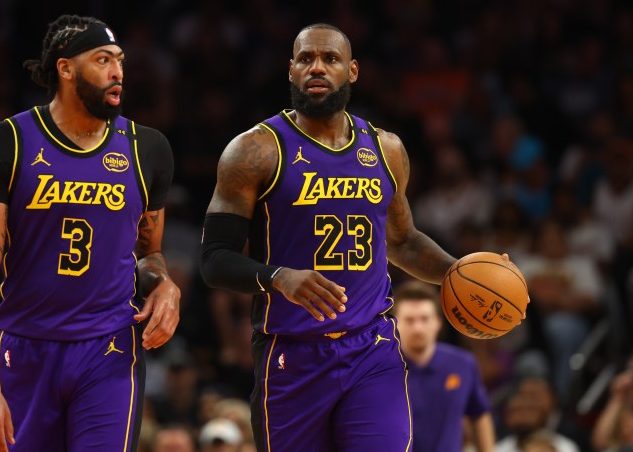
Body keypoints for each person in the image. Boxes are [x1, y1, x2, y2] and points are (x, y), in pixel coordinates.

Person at [200, 23, 499, 451]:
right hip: (292, 353)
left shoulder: (385, 149)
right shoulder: (254, 151)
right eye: (305, 59)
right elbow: (214, 259)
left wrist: (457, 272)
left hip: (370, 348)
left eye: (330, 59)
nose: (316, 68)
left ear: (352, 71)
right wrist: (279, 276)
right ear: (290, 70)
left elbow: (403, 241)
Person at [0, 14, 180, 452]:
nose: (117, 71)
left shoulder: (147, 149)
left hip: (109, 350)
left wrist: (166, 286)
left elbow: (149, 255)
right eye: (102, 60)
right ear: (65, 69)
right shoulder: (5, 143)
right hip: (25, 349)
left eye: (120, 60)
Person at [393, 280, 495, 452]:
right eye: (409, 320)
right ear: (395, 323)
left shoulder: (463, 363)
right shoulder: (380, 369)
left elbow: (480, 414)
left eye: (424, 319)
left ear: (438, 322)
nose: (418, 328)